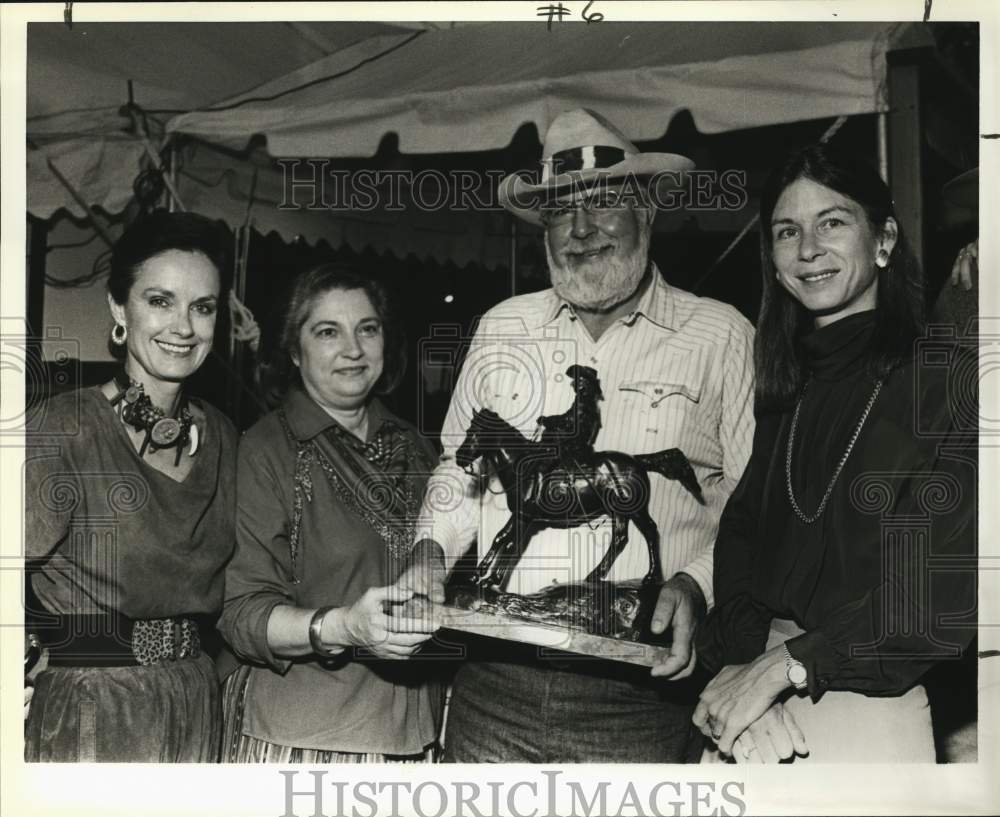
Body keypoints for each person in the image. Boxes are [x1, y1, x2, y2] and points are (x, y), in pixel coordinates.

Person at [404, 108, 756, 763]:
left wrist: (695, 585)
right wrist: (428, 550)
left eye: (602, 204)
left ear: (647, 211)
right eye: (561, 212)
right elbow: (458, 468)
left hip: (644, 696)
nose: (581, 229)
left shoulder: (722, 335)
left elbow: (751, 501)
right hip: (494, 687)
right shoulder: (503, 326)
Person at [694, 144, 977, 763]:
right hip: (750, 719)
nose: (808, 249)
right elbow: (739, 545)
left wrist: (784, 668)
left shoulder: (948, 386)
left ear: (884, 240)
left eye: (833, 222)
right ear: (772, 260)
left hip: (864, 716)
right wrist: (749, 667)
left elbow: (945, 594)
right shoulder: (783, 396)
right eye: (786, 232)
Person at [24, 210, 236, 762]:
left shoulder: (228, 438)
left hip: (194, 701)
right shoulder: (61, 426)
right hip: (94, 710)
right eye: (160, 301)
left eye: (203, 307)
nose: (183, 327)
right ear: (120, 308)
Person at [218, 263, 443, 763]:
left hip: (414, 731)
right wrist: (342, 627)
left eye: (367, 328)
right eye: (327, 332)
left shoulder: (416, 446)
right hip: (303, 738)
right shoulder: (265, 449)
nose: (353, 349)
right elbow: (240, 614)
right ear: (294, 352)